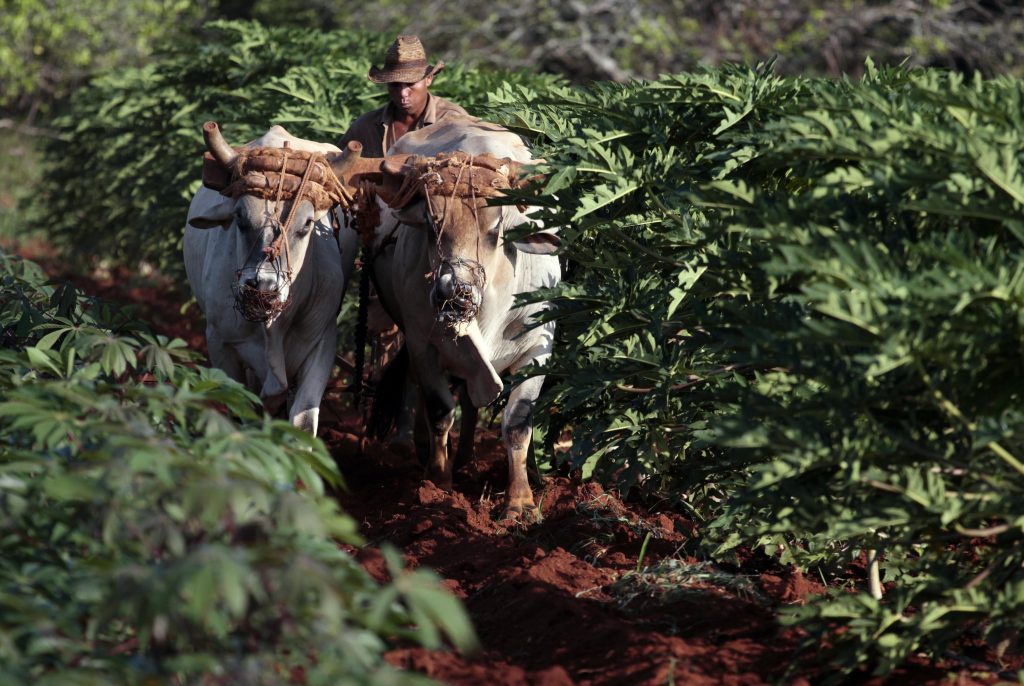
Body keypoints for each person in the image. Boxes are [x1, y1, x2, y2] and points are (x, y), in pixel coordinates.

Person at [338, 35, 467, 157]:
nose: (403, 93)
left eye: (411, 84)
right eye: (395, 85)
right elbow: (335, 165)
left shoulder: (454, 121)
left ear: (428, 79)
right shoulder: (366, 127)